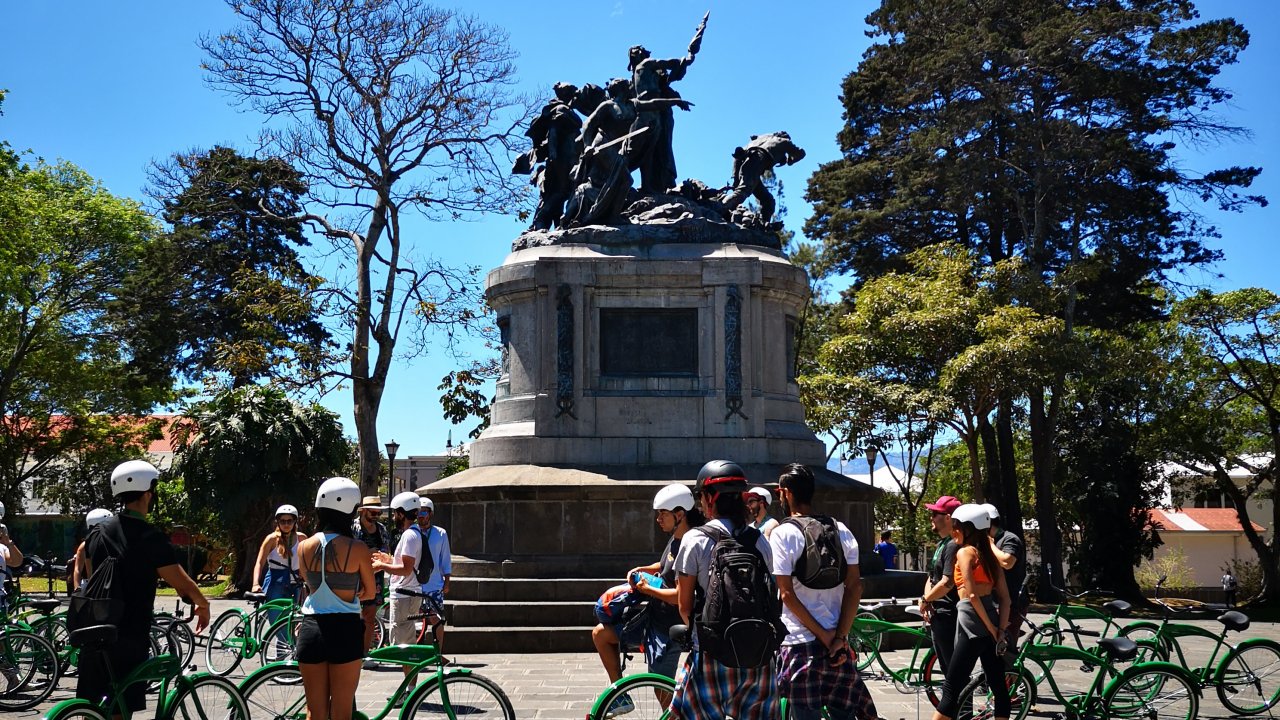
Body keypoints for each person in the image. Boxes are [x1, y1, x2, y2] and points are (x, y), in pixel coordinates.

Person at [77, 460, 211, 716]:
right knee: (121, 707)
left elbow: (94, 577)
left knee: (94, 707)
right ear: (148, 493)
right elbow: (179, 579)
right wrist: (202, 603)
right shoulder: (150, 536)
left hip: (94, 629)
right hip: (129, 632)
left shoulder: (96, 534)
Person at [669, 459, 781, 720]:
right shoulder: (759, 540)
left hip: (711, 653)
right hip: (759, 654)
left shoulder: (695, 539)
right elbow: (771, 594)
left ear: (710, 498)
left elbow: (684, 605)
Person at [771, 464, 879, 720]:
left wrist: (823, 636)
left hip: (799, 644)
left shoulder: (783, 534)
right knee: (844, 715)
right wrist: (838, 637)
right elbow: (855, 586)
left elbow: (786, 594)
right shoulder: (840, 529)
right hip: (838, 644)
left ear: (785, 493)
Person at [594, 484, 704, 715]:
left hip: (668, 628)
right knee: (601, 634)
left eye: (663, 513)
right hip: (652, 620)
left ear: (680, 514)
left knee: (665, 696)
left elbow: (680, 596)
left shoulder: (690, 543)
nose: (658, 519)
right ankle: (621, 698)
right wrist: (644, 569)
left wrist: (647, 589)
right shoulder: (676, 539)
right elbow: (664, 566)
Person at [296, 477, 376, 720]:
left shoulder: (303, 546)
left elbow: (308, 583)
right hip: (344, 629)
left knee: (314, 712)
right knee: (341, 712)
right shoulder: (357, 548)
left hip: (311, 629)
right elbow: (370, 593)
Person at [932, 504, 1011, 720]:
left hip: (972, 622)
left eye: (956, 526)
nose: (953, 530)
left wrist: (990, 628)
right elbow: (1005, 598)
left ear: (969, 528)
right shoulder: (991, 556)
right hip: (992, 621)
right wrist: (999, 630)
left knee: (951, 689)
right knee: (999, 688)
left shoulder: (965, 552)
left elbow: (972, 595)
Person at [372, 491, 425, 675]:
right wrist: (389, 560)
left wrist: (381, 566)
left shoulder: (410, 535)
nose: (394, 516)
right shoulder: (414, 533)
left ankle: (409, 692)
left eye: (395, 512)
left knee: (404, 649)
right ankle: (408, 691)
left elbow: (406, 569)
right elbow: (405, 565)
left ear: (402, 513)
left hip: (404, 595)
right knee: (405, 646)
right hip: (407, 594)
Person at [721, 131, 807, 224]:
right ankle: (719, 208)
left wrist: (735, 178)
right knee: (742, 192)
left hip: (747, 165)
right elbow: (801, 153)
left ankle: (762, 225)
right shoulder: (784, 141)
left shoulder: (759, 139)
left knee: (768, 201)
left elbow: (736, 157)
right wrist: (790, 160)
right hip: (756, 162)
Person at [919, 495, 962, 672]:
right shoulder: (941, 544)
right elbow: (931, 577)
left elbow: (947, 582)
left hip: (949, 614)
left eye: (935, 513)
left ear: (948, 518)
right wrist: (927, 599)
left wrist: (926, 599)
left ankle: (960, 701)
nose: (931, 517)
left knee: (953, 671)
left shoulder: (954, 545)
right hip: (938, 613)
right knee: (946, 668)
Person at [981, 502, 1025, 655]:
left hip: (1013, 602)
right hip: (994, 601)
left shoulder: (1009, 539)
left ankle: (1013, 677)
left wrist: (990, 545)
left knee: (1006, 651)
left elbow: (1007, 562)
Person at [252, 503, 306, 628]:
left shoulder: (302, 538)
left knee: (296, 623)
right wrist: (255, 583)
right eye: (282, 521)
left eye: (289, 521)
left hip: (296, 583)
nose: (286, 524)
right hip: (276, 583)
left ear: (295, 522)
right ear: (277, 522)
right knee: (278, 625)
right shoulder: (271, 539)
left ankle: (288, 647)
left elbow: (308, 561)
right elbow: (259, 563)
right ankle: (281, 647)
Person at [413, 497, 452, 657]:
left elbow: (445, 558)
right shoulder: (412, 532)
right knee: (415, 621)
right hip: (414, 585)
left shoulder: (440, 533)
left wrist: (447, 581)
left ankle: (438, 653)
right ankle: (416, 653)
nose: (420, 516)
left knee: (437, 620)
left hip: (434, 584)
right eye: (418, 512)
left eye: (424, 512)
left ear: (431, 514)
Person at [352, 496, 390, 654]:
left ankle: (365, 653)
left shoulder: (381, 529)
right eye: (373, 512)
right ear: (364, 511)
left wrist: (382, 557)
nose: (376, 515)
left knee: (370, 616)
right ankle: (351, 652)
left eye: (378, 512)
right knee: (351, 616)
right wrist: (368, 554)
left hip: (376, 576)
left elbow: (387, 550)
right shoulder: (352, 527)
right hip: (354, 576)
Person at [72, 509, 113, 588]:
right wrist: (77, 589)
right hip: (92, 585)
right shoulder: (85, 545)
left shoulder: (113, 542)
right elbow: (77, 570)